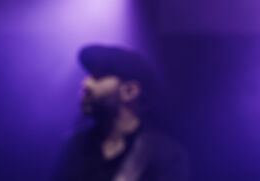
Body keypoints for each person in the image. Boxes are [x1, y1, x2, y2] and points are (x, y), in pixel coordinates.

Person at [52, 44, 190, 181]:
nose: (86, 83)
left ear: (130, 91)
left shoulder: (166, 156)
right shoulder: (75, 146)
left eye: (98, 76)